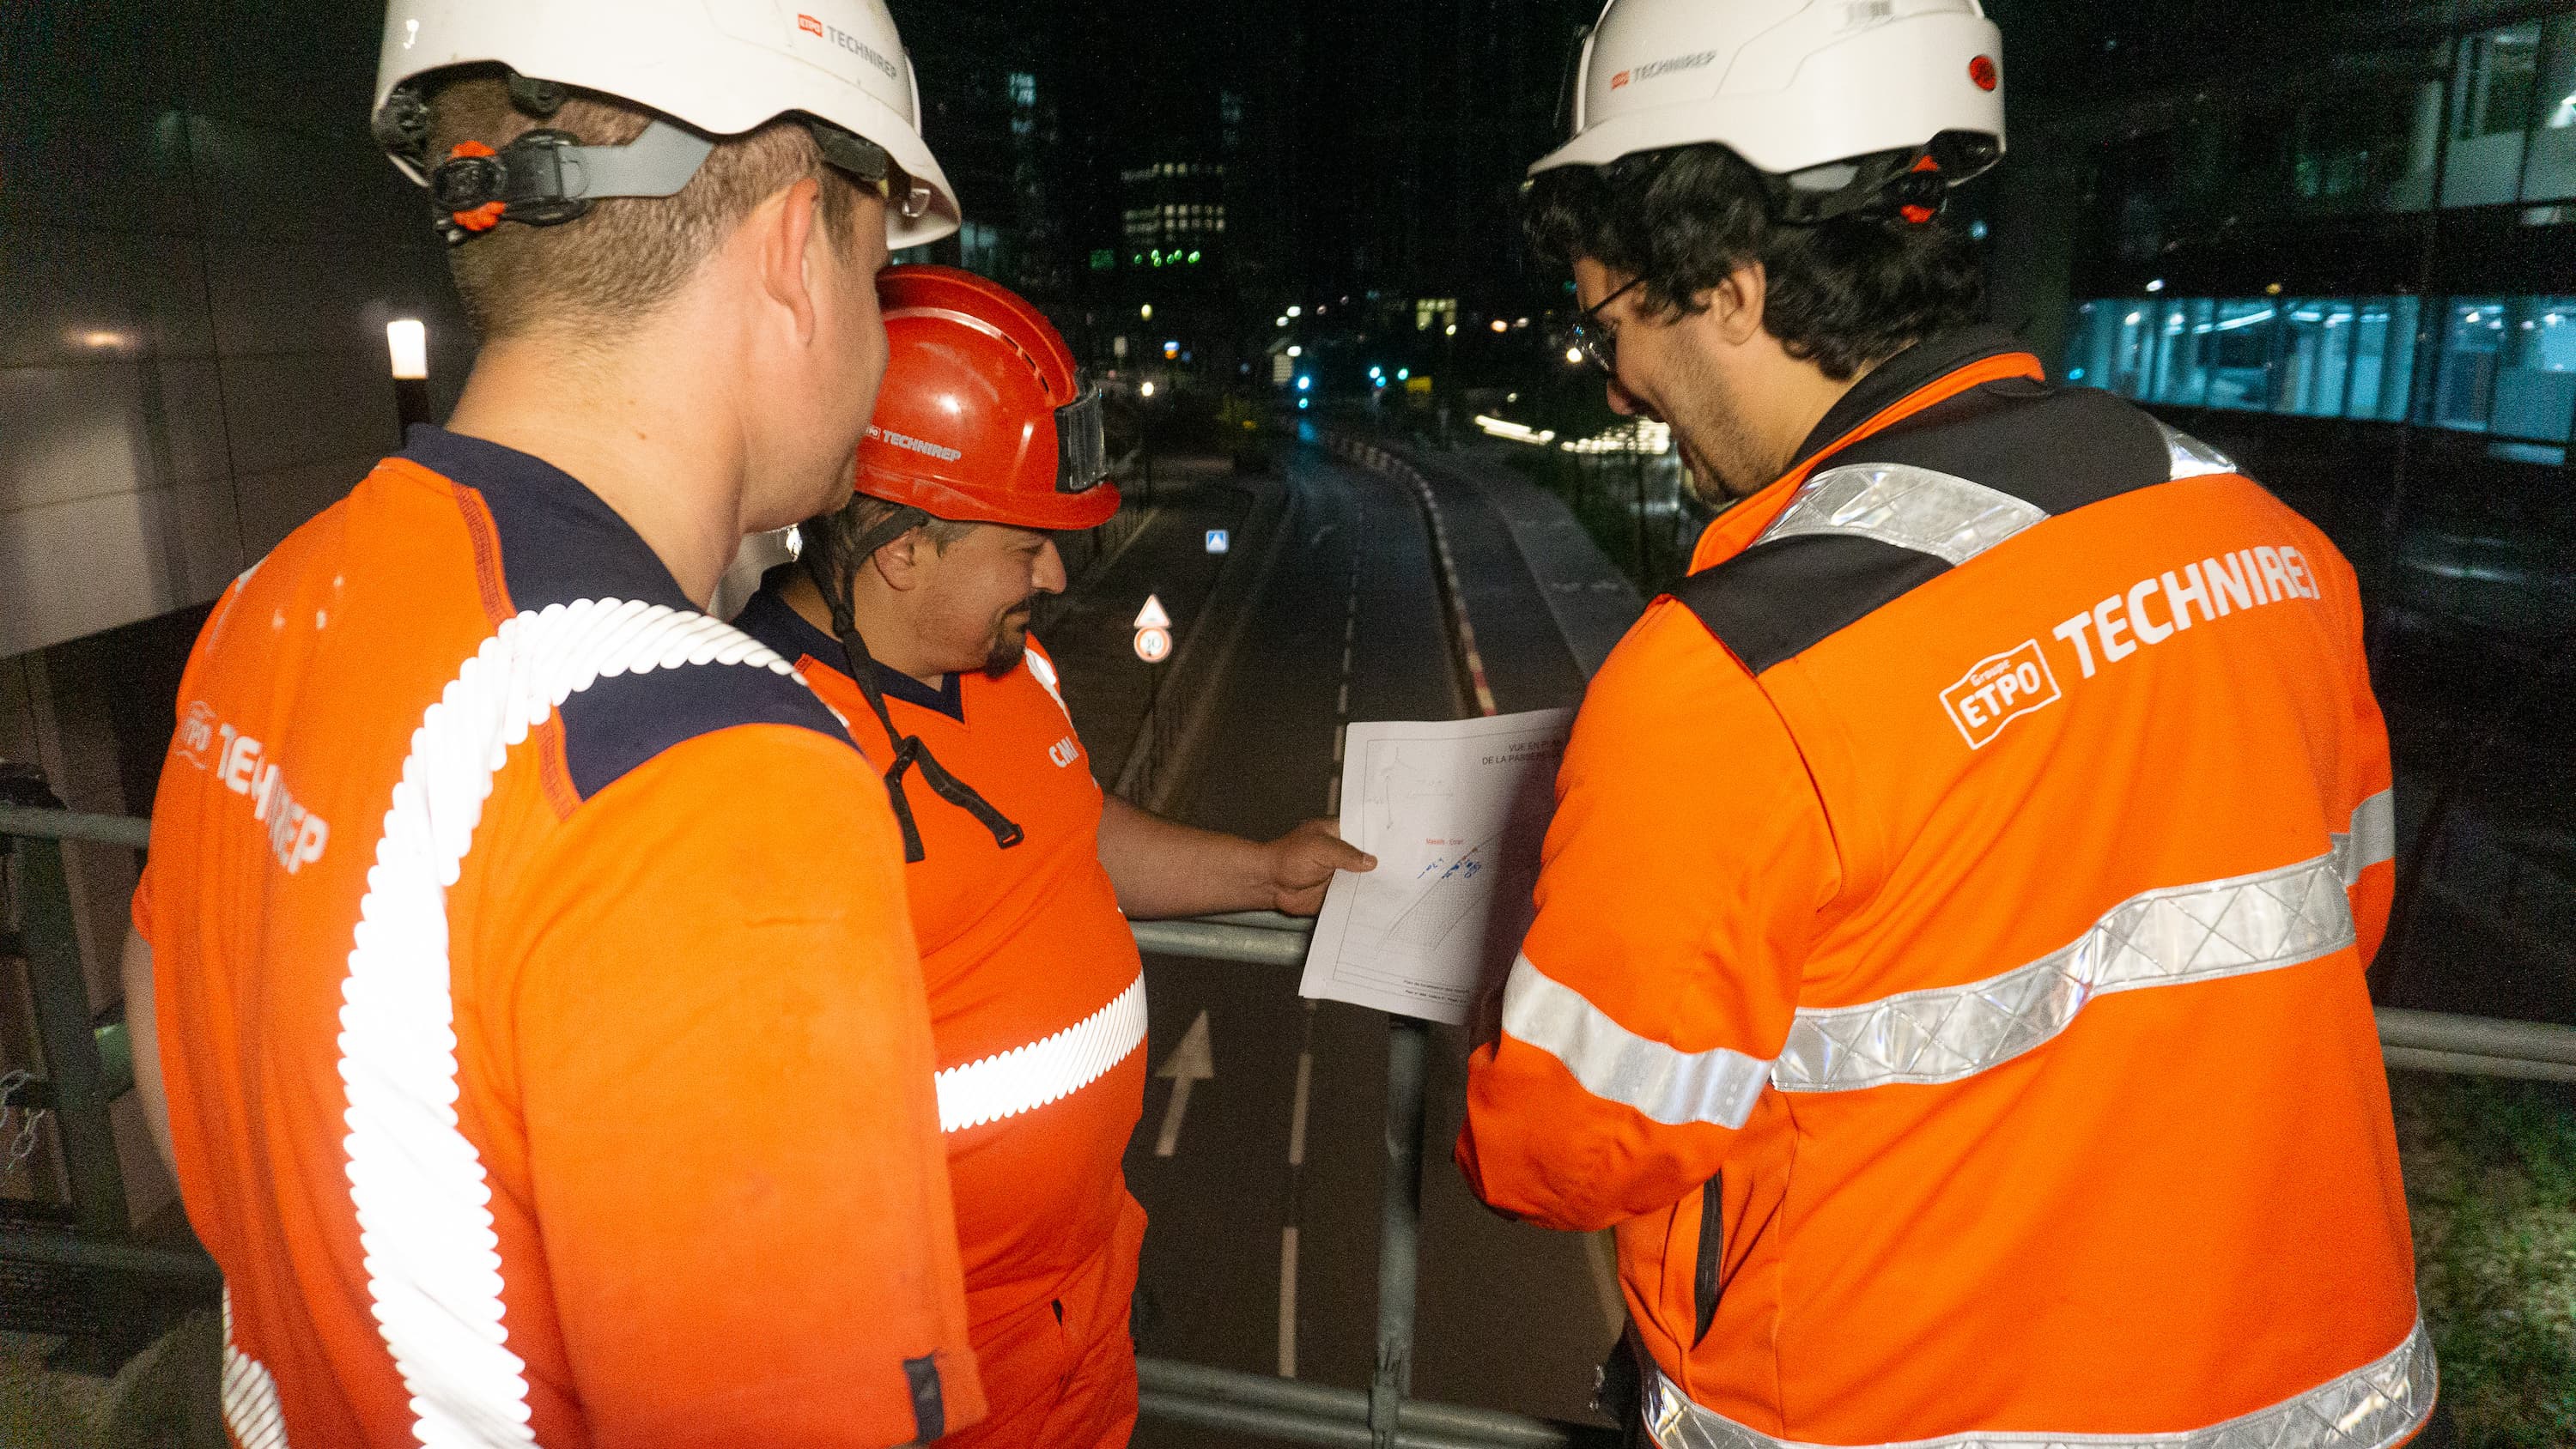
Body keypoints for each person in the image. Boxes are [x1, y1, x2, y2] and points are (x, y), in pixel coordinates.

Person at [1455, 3, 2435, 1447]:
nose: (1612, 382)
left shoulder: (1739, 674)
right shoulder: (2256, 533)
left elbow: (1570, 1147)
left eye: (1609, 319)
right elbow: (2330, 917)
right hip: (2332, 1398)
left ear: (1723, 287)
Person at [115, 3, 989, 1445]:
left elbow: (168, 1012)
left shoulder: (278, 592)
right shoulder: (704, 771)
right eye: (879, 261)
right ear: (791, 243)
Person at [732, 264, 1374, 1449]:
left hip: (1081, 1309)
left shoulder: (1011, 671)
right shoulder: (752, 751)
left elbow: (1074, 827)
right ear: (902, 548)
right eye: (1026, 548)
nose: (1059, 578)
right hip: (927, 1380)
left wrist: (1262, 872)